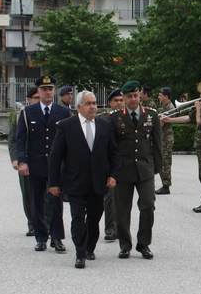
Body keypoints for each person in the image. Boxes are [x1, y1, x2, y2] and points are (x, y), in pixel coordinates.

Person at [48, 91, 118, 269]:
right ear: (79, 107)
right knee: (77, 218)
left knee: (94, 219)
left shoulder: (104, 125)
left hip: (98, 182)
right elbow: (56, 157)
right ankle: (80, 254)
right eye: (88, 103)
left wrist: (113, 175)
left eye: (94, 103)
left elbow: (114, 154)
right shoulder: (66, 126)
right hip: (75, 182)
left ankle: (89, 248)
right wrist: (54, 183)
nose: (93, 106)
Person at [15, 75, 72, 253]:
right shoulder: (27, 113)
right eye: (44, 89)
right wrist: (22, 161)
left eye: (50, 89)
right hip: (35, 163)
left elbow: (69, 141)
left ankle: (57, 237)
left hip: (56, 165)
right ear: (38, 91)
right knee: (37, 201)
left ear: (53, 91)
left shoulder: (63, 113)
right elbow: (20, 139)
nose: (47, 92)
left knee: (56, 201)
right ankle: (41, 237)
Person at [109, 80, 162, 259]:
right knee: (122, 210)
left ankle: (143, 243)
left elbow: (157, 144)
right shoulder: (115, 117)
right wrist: (111, 172)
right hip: (123, 171)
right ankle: (125, 245)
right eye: (129, 96)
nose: (133, 99)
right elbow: (112, 147)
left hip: (145, 169)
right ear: (123, 98)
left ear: (140, 95)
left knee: (148, 205)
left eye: (135, 95)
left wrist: (157, 168)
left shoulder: (151, 115)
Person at [9, 87, 39, 237]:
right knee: (28, 194)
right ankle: (32, 223)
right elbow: (13, 139)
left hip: (42, 161)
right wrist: (16, 159)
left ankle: (44, 222)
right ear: (29, 99)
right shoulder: (21, 115)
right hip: (25, 160)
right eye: (36, 98)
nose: (39, 100)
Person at [100, 89, 124, 242]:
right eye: (116, 100)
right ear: (110, 103)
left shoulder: (130, 116)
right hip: (111, 163)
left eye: (121, 100)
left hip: (128, 162)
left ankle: (123, 228)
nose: (119, 103)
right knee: (110, 198)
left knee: (124, 198)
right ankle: (110, 229)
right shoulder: (104, 119)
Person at [156, 87, 189, 195]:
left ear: (166, 96)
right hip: (162, 137)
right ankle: (164, 184)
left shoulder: (170, 107)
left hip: (166, 138)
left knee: (165, 162)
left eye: (160, 95)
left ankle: (166, 185)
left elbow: (161, 123)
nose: (158, 97)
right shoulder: (163, 106)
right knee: (162, 162)